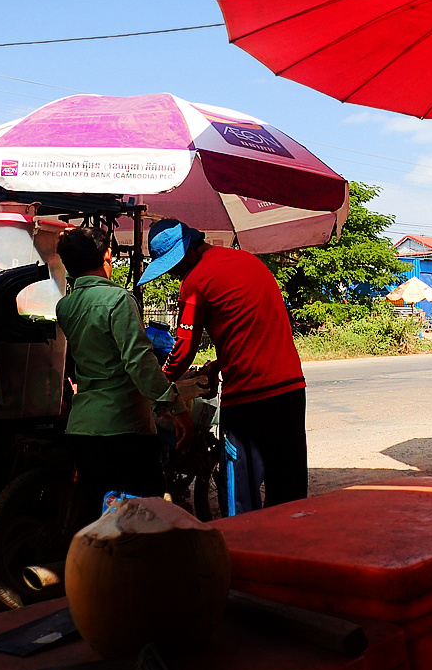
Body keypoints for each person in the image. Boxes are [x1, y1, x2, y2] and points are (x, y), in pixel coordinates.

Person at [139, 219, 307, 512]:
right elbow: (254, 333)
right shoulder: (247, 261)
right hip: (291, 391)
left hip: (249, 399)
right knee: (289, 490)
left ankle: (243, 554)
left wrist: (158, 384)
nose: (176, 273)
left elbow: (182, 351)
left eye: (175, 265)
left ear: (189, 251)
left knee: (239, 493)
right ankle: (289, 554)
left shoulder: (195, 283)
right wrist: (217, 365)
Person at [55, 227, 206, 517]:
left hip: (82, 427)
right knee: (144, 513)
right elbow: (139, 363)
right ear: (107, 255)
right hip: (123, 427)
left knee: (98, 515)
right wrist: (176, 408)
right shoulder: (118, 301)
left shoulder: (66, 306)